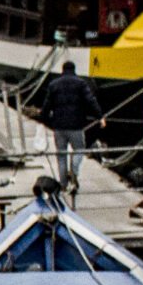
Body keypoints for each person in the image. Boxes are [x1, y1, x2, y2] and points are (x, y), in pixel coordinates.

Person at [37, 60, 99, 189]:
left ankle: (63, 184)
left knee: (61, 156)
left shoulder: (54, 85)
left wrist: (43, 120)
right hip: (76, 126)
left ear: (62, 70)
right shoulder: (81, 83)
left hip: (59, 127)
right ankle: (74, 172)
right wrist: (100, 116)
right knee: (79, 149)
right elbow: (90, 100)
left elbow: (47, 105)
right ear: (74, 70)